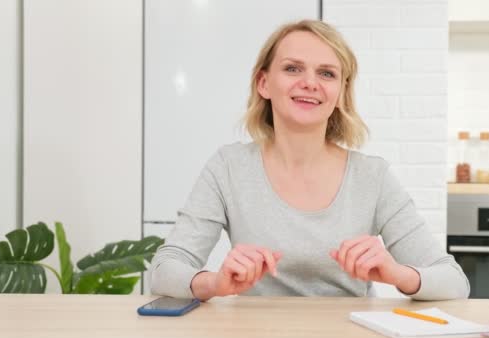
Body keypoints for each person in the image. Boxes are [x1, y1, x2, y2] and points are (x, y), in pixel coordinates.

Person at [150, 20, 470, 301]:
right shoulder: (228, 166)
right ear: (264, 83)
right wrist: (216, 284)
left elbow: (454, 282)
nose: (310, 82)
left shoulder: (373, 176)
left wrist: (397, 273)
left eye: (327, 73)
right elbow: (165, 270)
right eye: (292, 68)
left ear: (341, 93)